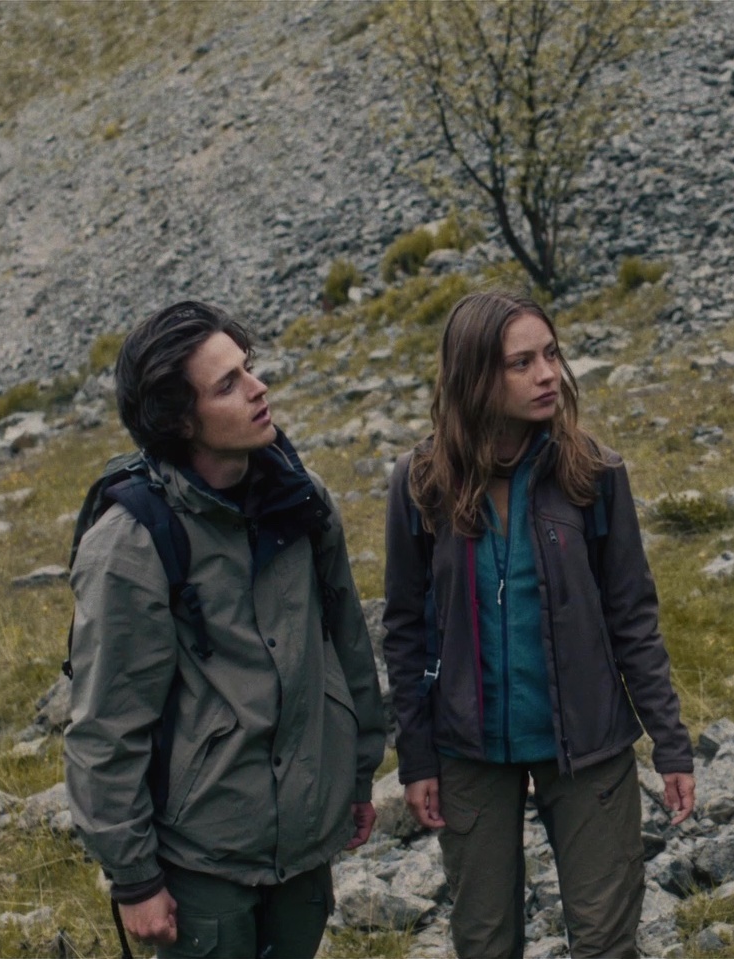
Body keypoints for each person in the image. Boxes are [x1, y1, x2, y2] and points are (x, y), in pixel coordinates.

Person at [65, 301, 386, 958]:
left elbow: (347, 642)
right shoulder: (129, 547)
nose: (258, 388)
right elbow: (106, 725)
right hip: (202, 863)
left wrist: (357, 777)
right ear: (180, 420)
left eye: (250, 369)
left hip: (305, 844)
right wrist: (135, 878)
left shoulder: (303, 499)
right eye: (228, 385)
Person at [383, 289, 695, 959]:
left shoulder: (595, 473)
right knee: (484, 941)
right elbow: (405, 630)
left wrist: (671, 744)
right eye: (521, 362)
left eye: (551, 354)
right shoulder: (420, 482)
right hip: (467, 749)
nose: (548, 373)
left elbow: (633, 618)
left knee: (606, 941)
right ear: (474, 376)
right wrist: (417, 757)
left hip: (588, 742)